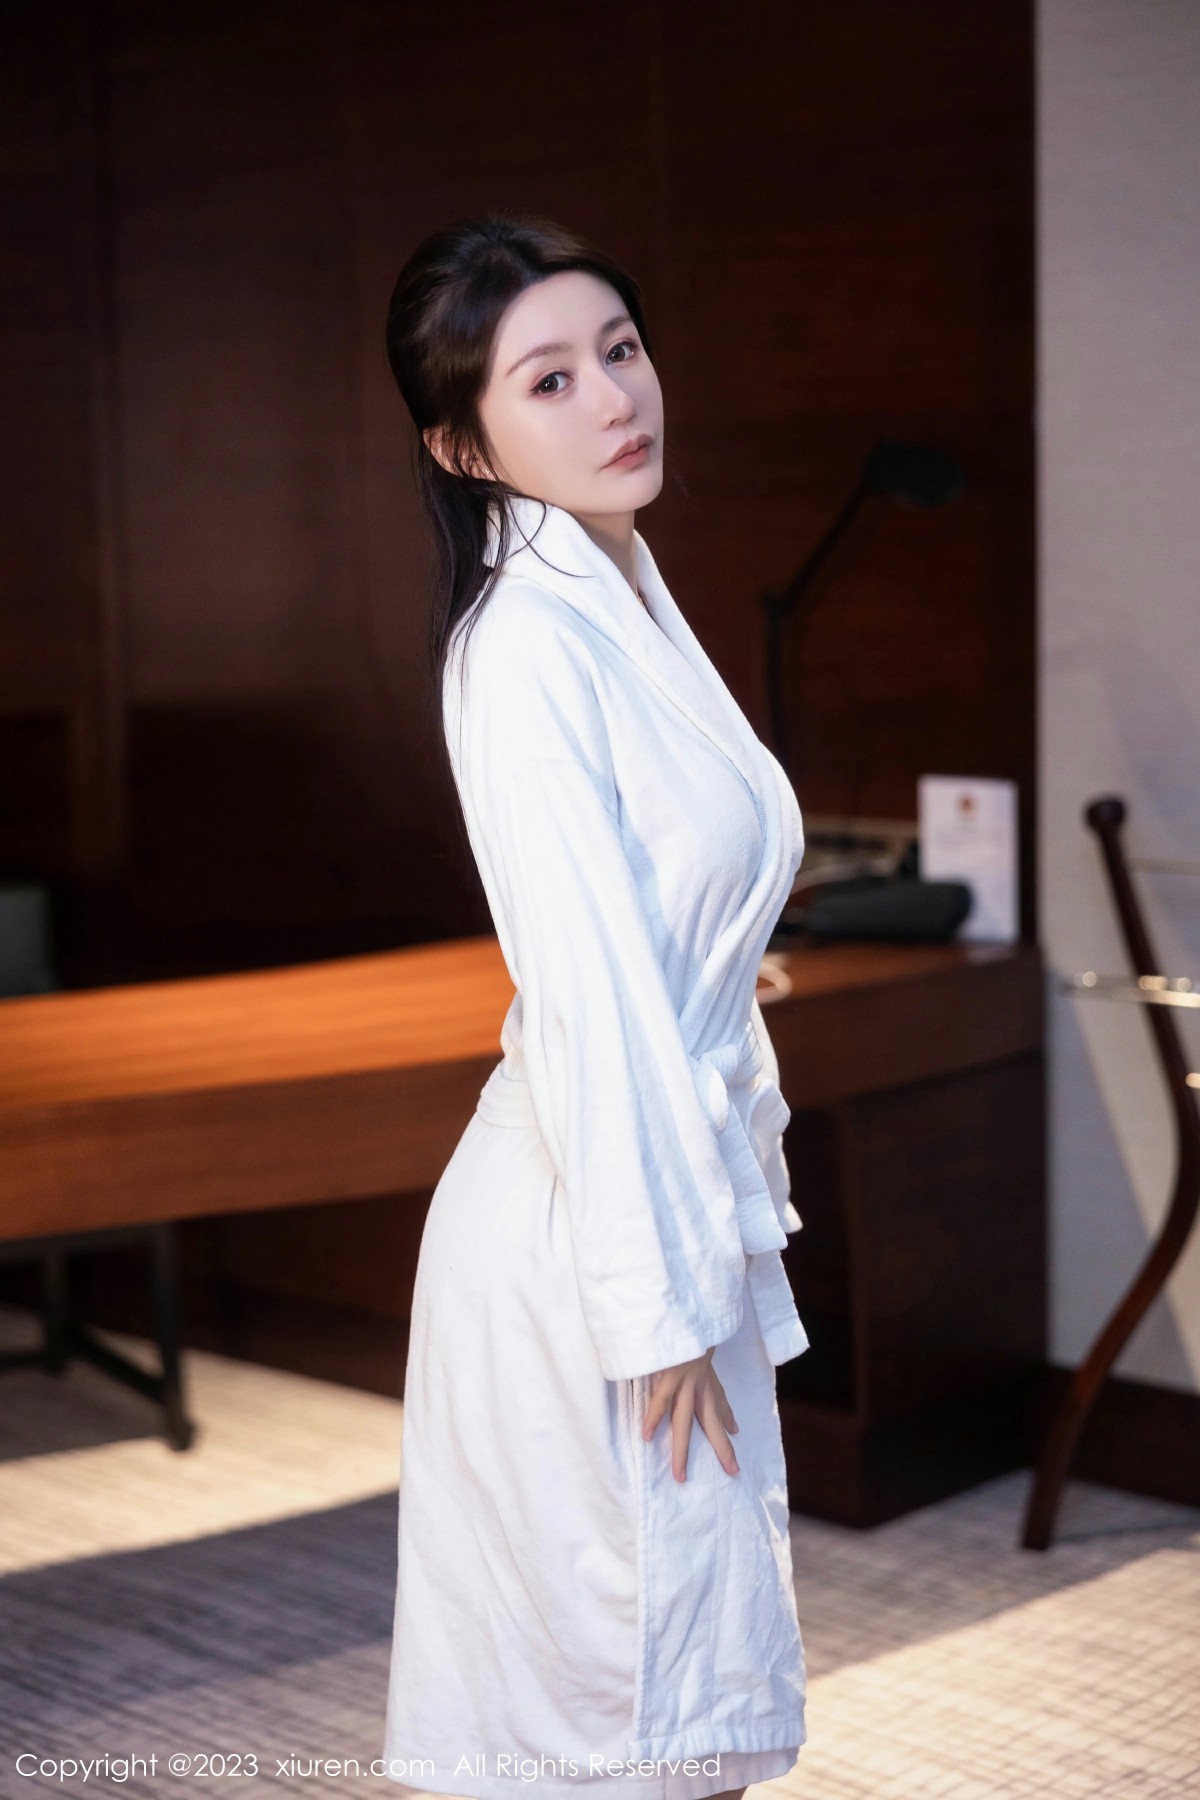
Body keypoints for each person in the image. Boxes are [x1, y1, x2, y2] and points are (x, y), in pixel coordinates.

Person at [381, 212, 810, 1800]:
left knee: (686, 1684)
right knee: (626, 1706)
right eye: (549, 379)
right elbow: (591, 1004)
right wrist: (657, 1309)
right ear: (462, 444)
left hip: (653, 1185)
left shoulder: (624, 596)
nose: (614, 398)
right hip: (588, 1230)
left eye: (619, 351)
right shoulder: (524, 646)